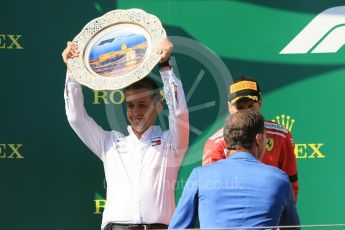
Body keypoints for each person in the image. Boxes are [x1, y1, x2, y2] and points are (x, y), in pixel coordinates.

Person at [62, 37, 189, 230]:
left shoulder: (170, 143)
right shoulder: (110, 143)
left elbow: (179, 112)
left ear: (158, 106)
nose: (136, 112)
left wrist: (165, 66)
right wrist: (73, 71)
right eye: (130, 105)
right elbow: (75, 116)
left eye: (142, 105)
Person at [169, 111, 300, 229]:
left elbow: (178, 227)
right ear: (259, 139)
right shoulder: (279, 178)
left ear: (226, 141)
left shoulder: (200, 175)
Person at [203, 77, 299, 201]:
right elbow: (211, 193)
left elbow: (291, 183)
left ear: (260, 104)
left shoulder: (280, 135)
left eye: (250, 106)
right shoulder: (216, 143)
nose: (246, 113)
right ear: (230, 107)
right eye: (240, 107)